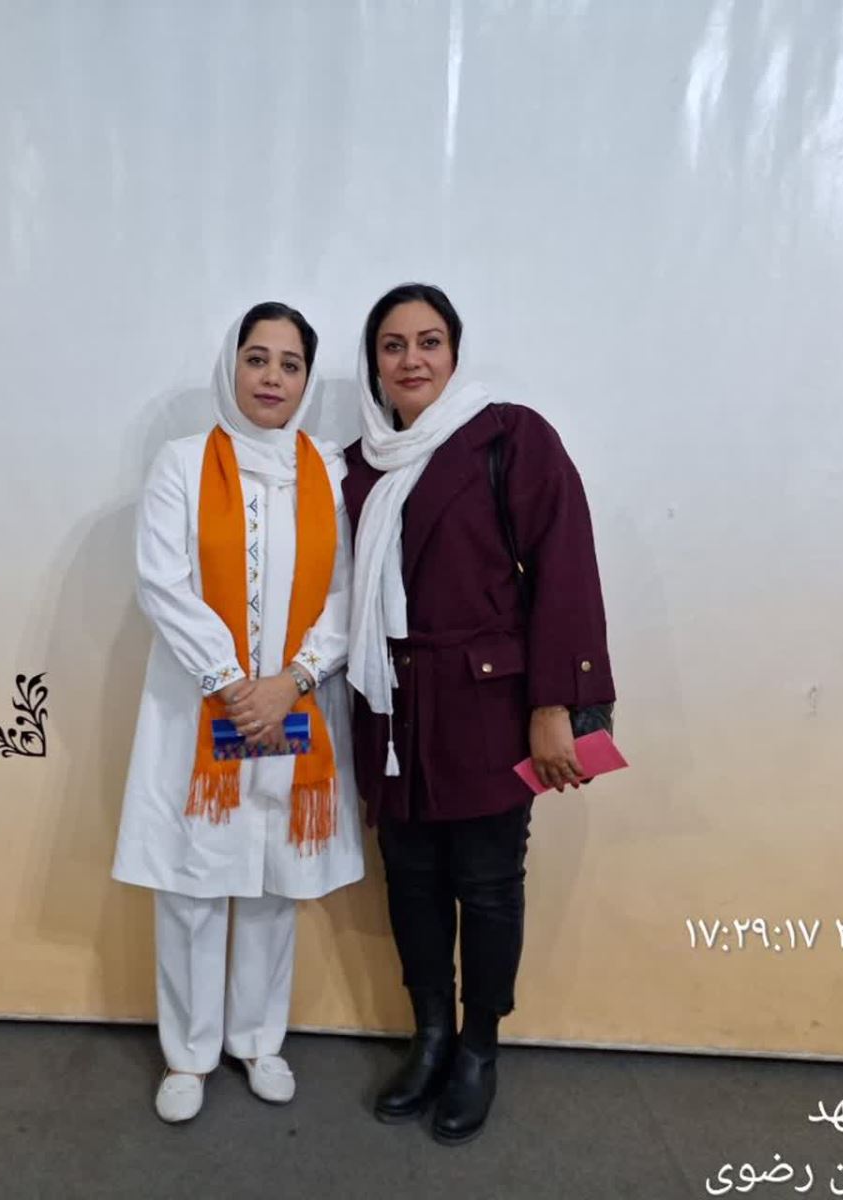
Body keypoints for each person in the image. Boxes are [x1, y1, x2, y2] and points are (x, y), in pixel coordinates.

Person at [342, 283, 615, 1145]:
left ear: (455, 352)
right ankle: (430, 1035)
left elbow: (565, 570)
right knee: (411, 881)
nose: (411, 359)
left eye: (429, 341)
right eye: (393, 345)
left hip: (487, 704)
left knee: (490, 885)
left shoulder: (510, 437)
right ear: (373, 362)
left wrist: (554, 704)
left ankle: (479, 1048)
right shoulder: (357, 465)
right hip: (391, 710)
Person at [112, 302, 363, 1124]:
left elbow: (348, 590)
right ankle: (188, 1054)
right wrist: (230, 682)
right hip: (199, 707)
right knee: (194, 879)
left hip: (295, 705)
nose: (272, 378)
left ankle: (258, 1040)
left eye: (291, 364)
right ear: (232, 366)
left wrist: (291, 679)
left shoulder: (329, 473)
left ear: (306, 380)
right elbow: (162, 582)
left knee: (269, 880)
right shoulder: (183, 464)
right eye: (258, 358)